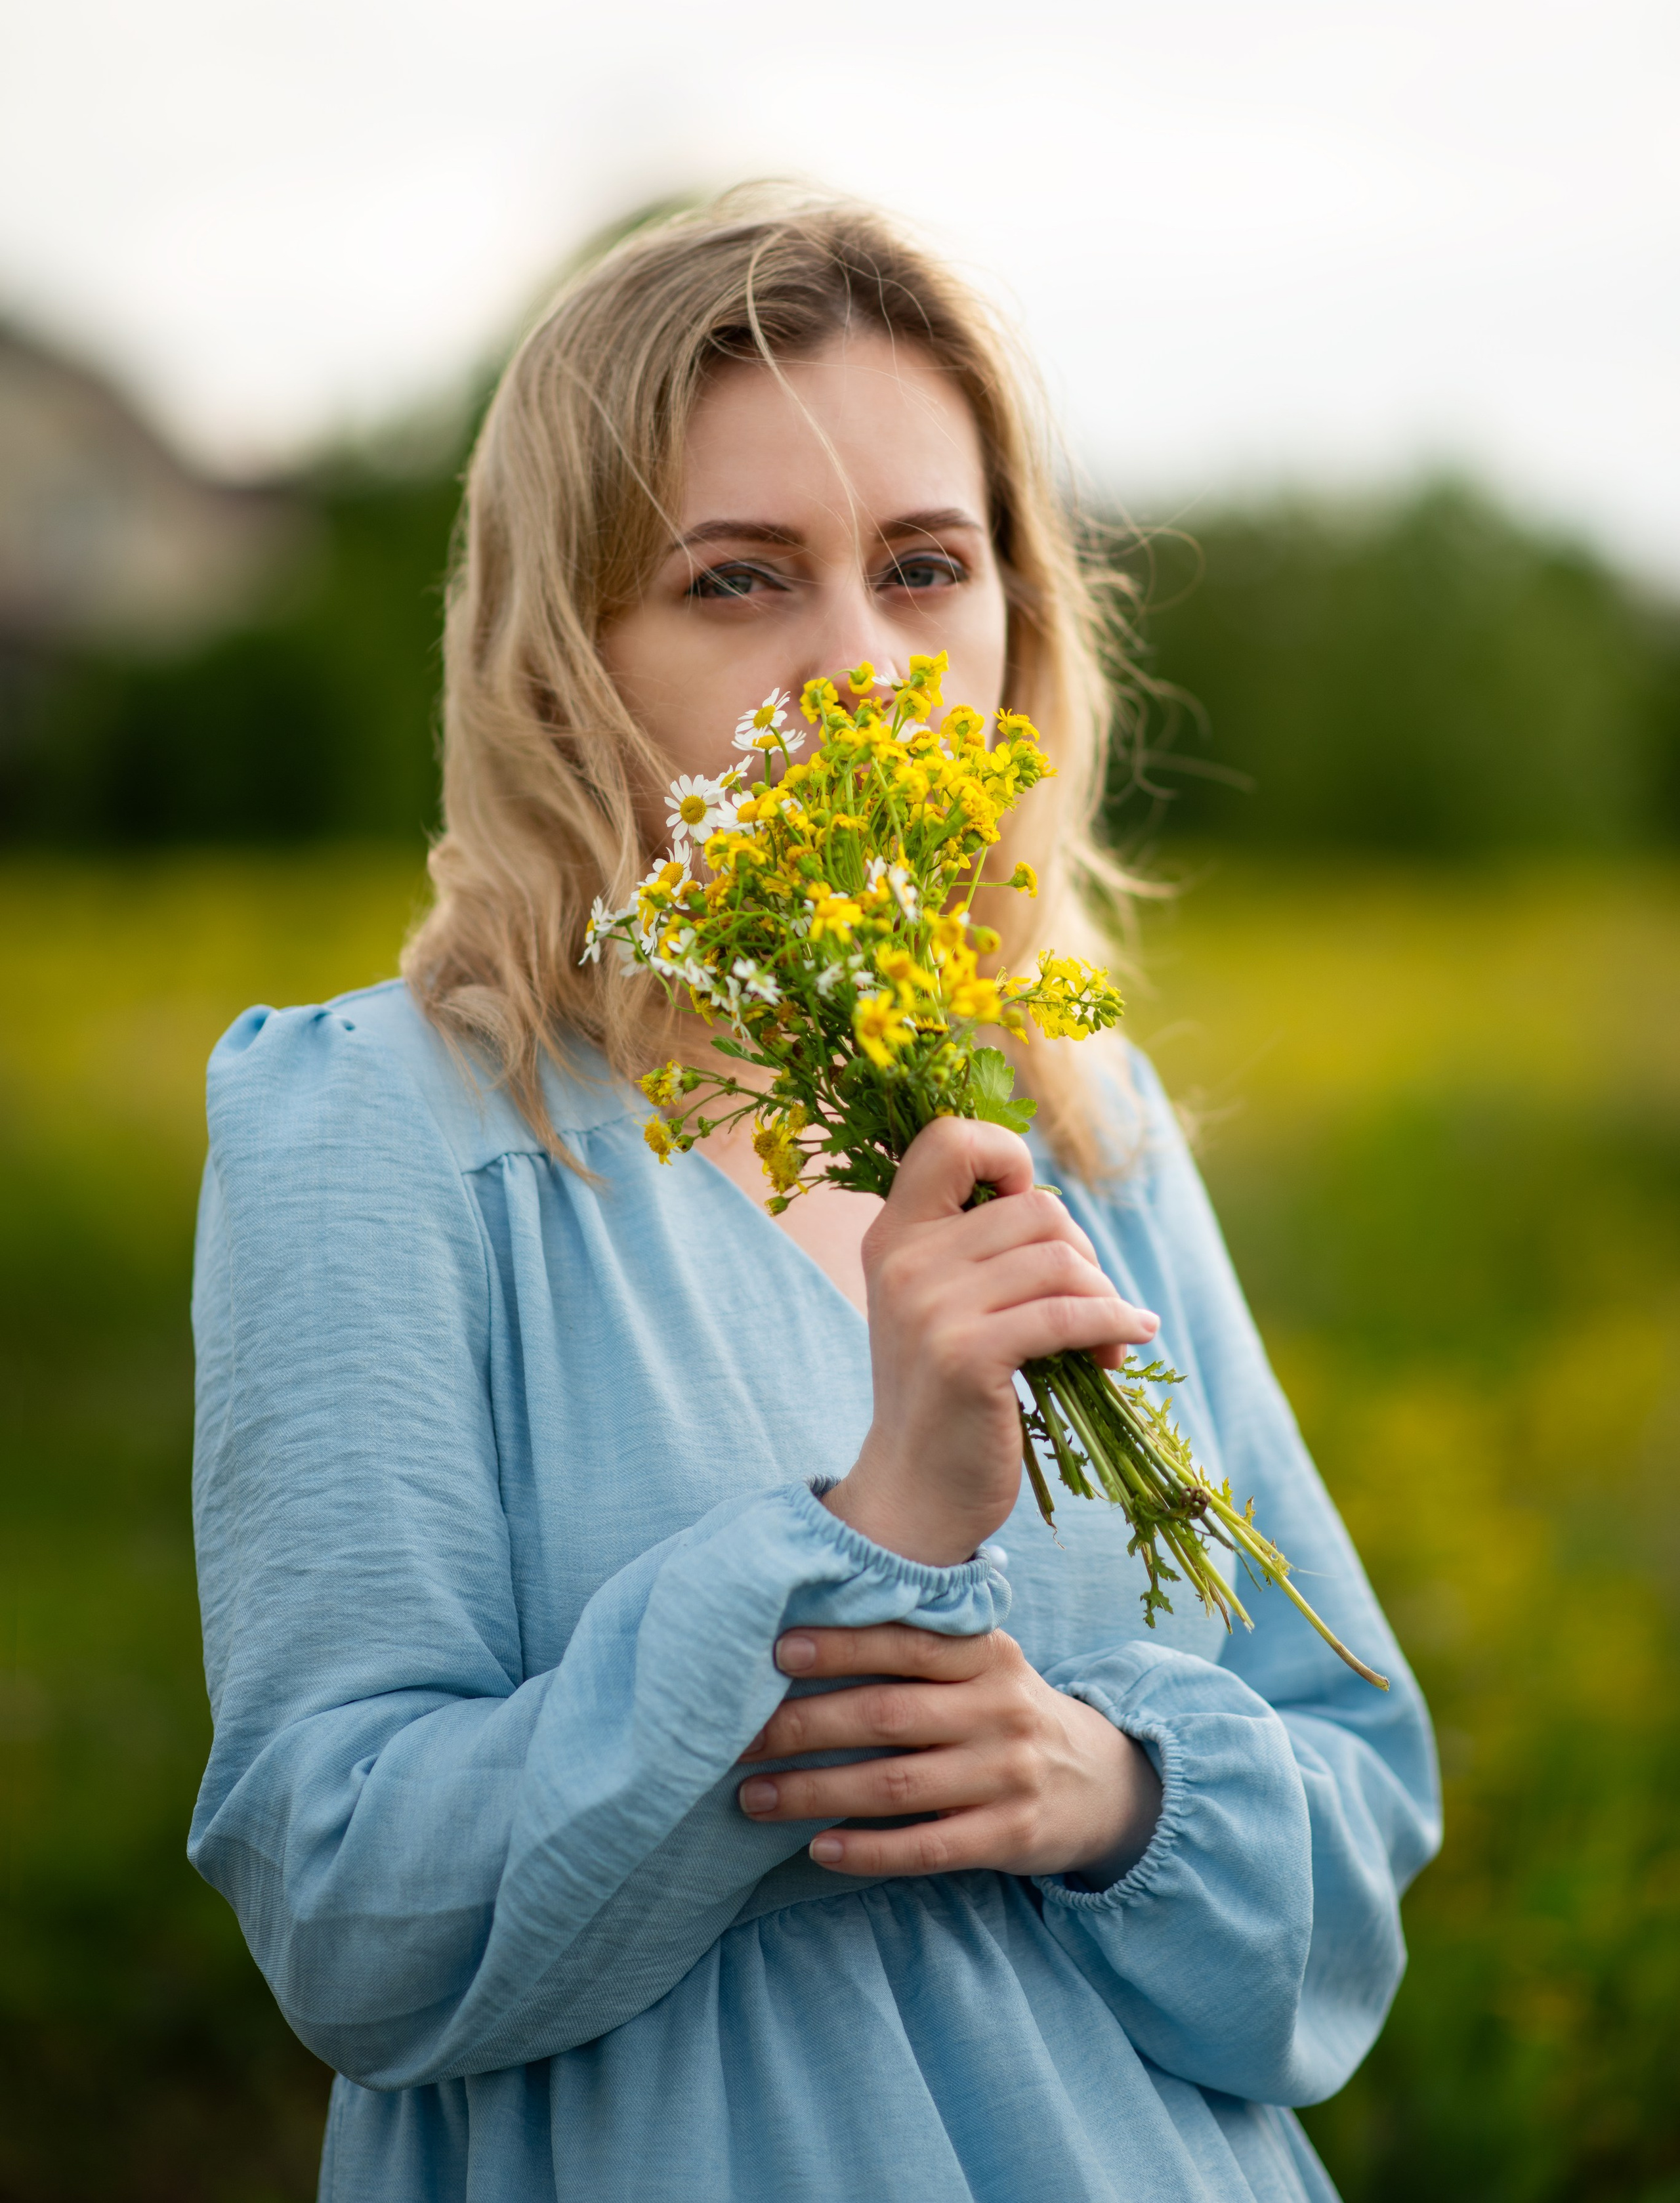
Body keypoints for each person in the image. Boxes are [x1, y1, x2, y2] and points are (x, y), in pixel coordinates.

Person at [188, 189, 1439, 2203]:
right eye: (739, 581)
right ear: (563, 650)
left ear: (1020, 611)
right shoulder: (385, 1125)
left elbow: (1358, 1808)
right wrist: (854, 1546)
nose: (859, 666)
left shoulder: (1084, 1117)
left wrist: (1116, 1793)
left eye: (926, 566)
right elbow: (350, 1909)